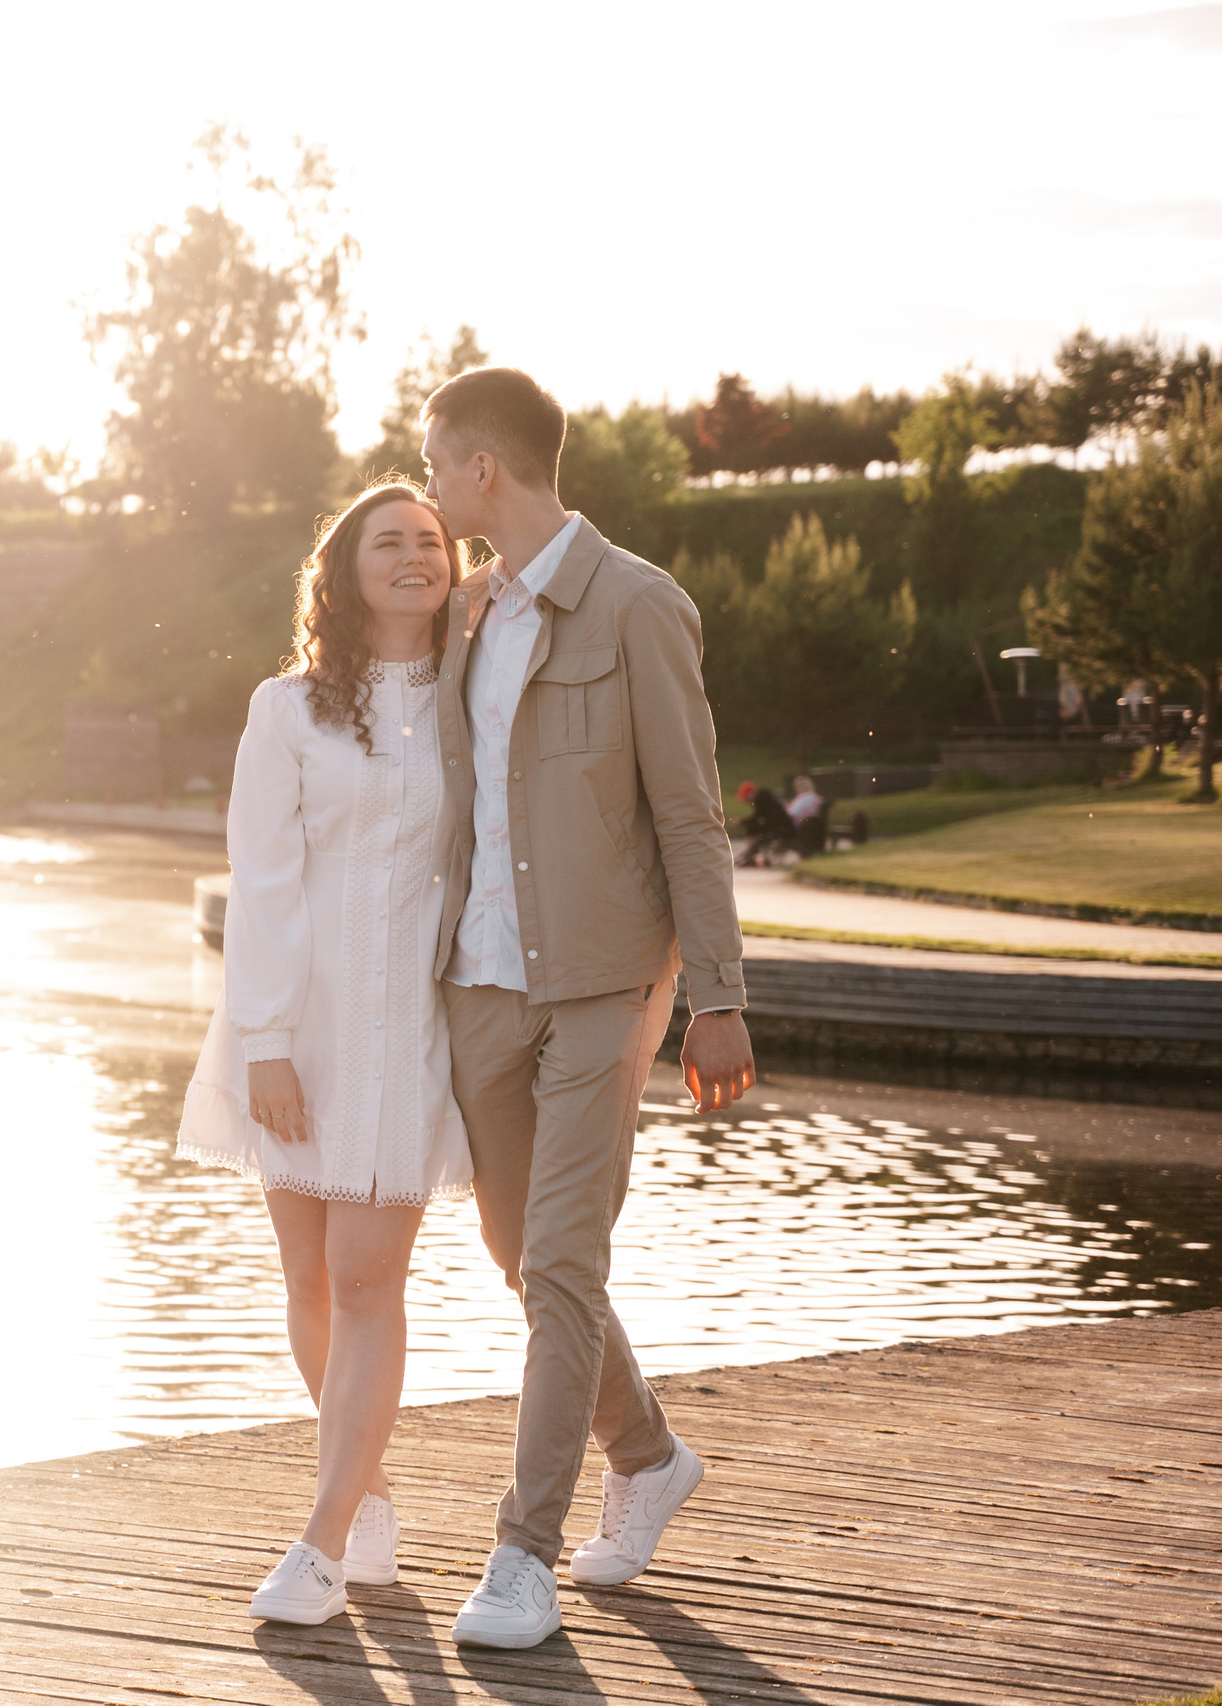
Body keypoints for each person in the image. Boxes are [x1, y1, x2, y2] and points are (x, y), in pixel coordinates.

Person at [417, 367, 756, 1650]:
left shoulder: (637, 605)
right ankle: (649, 1452)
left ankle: (522, 1552)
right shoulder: (465, 616)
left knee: (561, 1258)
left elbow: (690, 814)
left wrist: (715, 997)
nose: (433, 487)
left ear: (481, 469)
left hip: (604, 984)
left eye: (438, 465)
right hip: (481, 986)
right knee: (520, 1256)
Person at [176, 480, 473, 1626]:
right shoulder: (286, 707)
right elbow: (263, 877)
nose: (413, 556)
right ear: (343, 570)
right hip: (294, 1022)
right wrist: (263, 1039)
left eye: (432, 540)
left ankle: (319, 1537)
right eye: (388, 541)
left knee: (364, 1278)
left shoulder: (472, 692)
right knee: (305, 1278)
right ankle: (370, 1490)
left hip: (409, 1020)